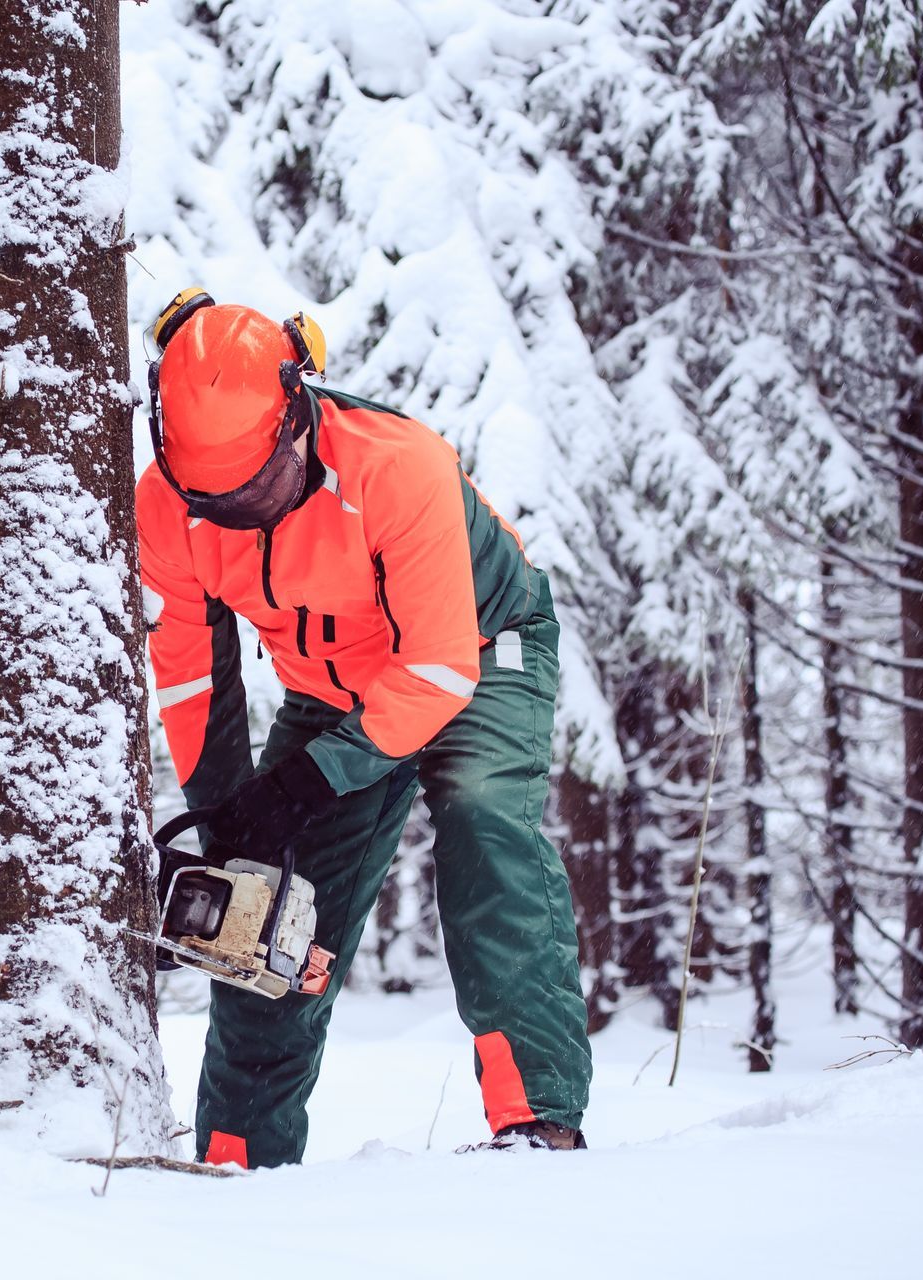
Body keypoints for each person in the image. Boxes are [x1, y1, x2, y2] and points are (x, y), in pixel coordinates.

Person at [136, 289, 593, 1168]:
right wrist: (227, 810)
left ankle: (538, 1119)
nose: (241, 514)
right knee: (259, 900)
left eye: (256, 490)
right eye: (215, 501)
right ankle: (238, 1158)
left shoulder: (396, 468)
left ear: (296, 418)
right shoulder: (166, 507)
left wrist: (307, 780)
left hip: (479, 648)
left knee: (481, 818)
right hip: (332, 687)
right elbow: (194, 671)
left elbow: (437, 668)